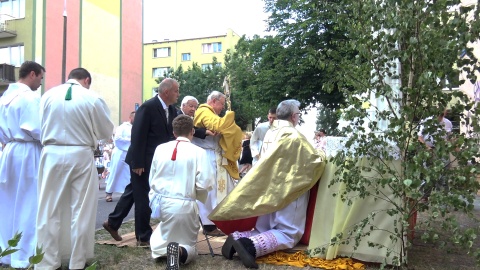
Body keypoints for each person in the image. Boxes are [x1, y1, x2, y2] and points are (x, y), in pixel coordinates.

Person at [210, 99, 325, 269]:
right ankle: (249, 247)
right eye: (298, 114)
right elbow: (313, 162)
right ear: (294, 116)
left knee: (264, 227)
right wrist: (322, 153)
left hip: (268, 189)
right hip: (288, 191)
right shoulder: (294, 136)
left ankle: (238, 237)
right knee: (288, 233)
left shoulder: (271, 132)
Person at [36, 68, 114, 270]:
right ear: (87, 80)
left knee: (48, 208)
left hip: (51, 152)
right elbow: (106, 131)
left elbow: (40, 125)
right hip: (79, 153)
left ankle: (47, 261)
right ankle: (77, 262)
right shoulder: (92, 98)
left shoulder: (48, 95)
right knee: (81, 209)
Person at [103, 78, 180, 246]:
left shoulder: (172, 110)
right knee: (143, 196)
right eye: (176, 91)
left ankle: (113, 223)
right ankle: (143, 236)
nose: (178, 95)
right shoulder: (148, 107)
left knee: (134, 191)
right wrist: (138, 162)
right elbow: (138, 135)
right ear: (166, 92)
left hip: (156, 161)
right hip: (142, 161)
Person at [148, 115, 214, 268]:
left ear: (174, 132)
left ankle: (165, 250)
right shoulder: (198, 152)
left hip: (161, 204)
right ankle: (181, 251)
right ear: (192, 131)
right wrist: (196, 194)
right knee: (190, 245)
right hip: (185, 205)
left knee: (162, 238)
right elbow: (204, 183)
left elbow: (152, 178)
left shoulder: (160, 149)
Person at [0, 61, 45, 268]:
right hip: (28, 151)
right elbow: (37, 129)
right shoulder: (29, 98)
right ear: (32, 74)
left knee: (8, 202)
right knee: (29, 201)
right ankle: (25, 253)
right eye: (41, 78)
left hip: (9, 150)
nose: (41, 83)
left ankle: (6, 251)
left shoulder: (4, 97)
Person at [192, 91, 243, 236]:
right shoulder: (204, 111)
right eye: (221, 104)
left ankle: (217, 222)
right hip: (207, 156)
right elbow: (219, 126)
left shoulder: (209, 112)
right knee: (209, 189)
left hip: (213, 155)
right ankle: (209, 225)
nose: (222, 108)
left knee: (216, 189)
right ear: (214, 101)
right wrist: (230, 117)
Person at [105, 111, 135, 202]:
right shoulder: (122, 127)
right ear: (130, 118)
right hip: (120, 152)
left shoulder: (137, 127)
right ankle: (108, 192)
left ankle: (126, 194)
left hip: (130, 153)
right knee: (115, 172)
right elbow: (117, 139)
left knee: (128, 175)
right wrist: (131, 140)